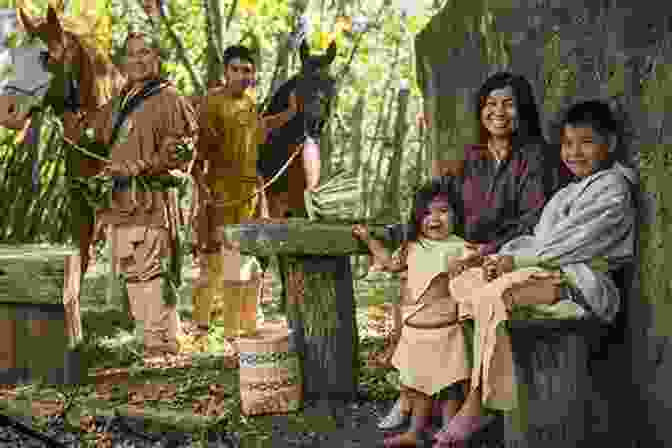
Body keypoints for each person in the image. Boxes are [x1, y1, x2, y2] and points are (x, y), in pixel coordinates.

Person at [434, 99, 636, 447]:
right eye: (568, 143)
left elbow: (571, 244)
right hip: (543, 273)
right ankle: (464, 392)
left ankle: (477, 405)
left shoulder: (613, 189)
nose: (574, 152)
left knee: (496, 295)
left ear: (611, 143)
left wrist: (517, 263)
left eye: (586, 142)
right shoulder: (566, 193)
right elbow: (539, 240)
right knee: (465, 283)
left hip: (579, 281)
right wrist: (497, 257)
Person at [378, 72, 567, 434]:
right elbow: (437, 205)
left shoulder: (536, 156)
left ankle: (456, 401)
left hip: (508, 254)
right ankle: (413, 392)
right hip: (464, 252)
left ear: (523, 108)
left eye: (508, 103)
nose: (499, 111)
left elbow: (535, 218)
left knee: (448, 300)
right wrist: (410, 238)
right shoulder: (471, 157)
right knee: (414, 284)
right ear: (480, 111)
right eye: (491, 104)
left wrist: (486, 249)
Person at [68, 30, 198, 357]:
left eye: (145, 53)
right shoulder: (121, 100)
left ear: (155, 57)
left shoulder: (169, 98)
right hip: (122, 205)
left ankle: (161, 346)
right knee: (135, 274)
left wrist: (140, 166)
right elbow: (91, 133)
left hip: (152, 202)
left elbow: (182, 152)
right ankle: (154, 341)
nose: (138, 59)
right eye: (132, 54)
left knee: (152, 272)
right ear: (124, 61)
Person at [353, 179, 484, 448]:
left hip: (445, 331)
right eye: (427, 212)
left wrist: (472, 261)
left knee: (449, 387)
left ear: (457, 214)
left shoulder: (460, 247)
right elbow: (389, 264)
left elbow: (477, 267)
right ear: (417, 217)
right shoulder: (413, 246)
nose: (434, 218)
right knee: (417, 387)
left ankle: (450, 434)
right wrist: (368, 240)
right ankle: (415, 433)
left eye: (443, 211)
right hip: (415, 333)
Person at [189, 45, 299, 348]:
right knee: (214, 261)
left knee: (244, 261)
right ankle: (202, 329)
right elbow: (197, 152)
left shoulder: (250, 104)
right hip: (220, 193)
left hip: (249, 194)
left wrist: (289, 115)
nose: (241, 75)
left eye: (247, 70)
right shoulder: (211, 102)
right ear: (225, 71)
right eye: (235, 69)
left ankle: (238, 329)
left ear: (254, 74)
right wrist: (202, 190)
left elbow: (259, 130)